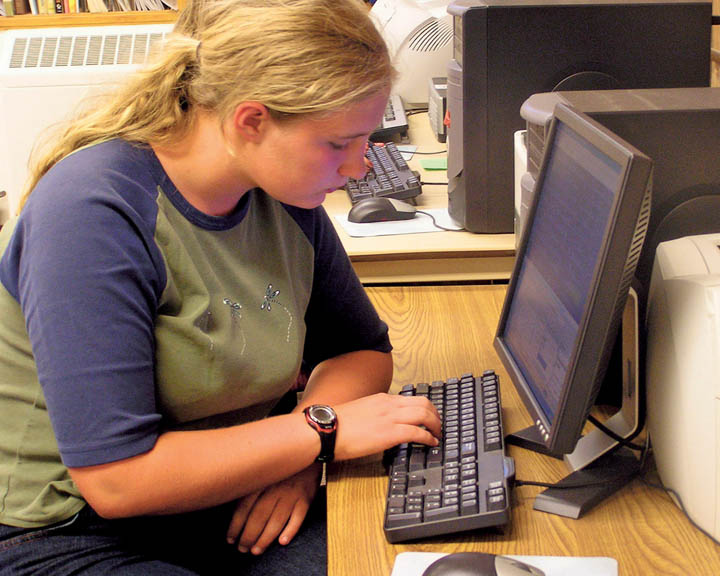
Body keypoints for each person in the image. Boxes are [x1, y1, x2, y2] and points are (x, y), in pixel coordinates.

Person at [0, 0, 442, 574]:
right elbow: (117, 478)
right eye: (339, 143)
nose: (359, 167)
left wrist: (304, 453)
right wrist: (321, 434)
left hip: (223, 491)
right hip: (67, 530)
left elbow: (360, 351)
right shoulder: (93, 213)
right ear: (250, 120)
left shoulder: (280, 191)